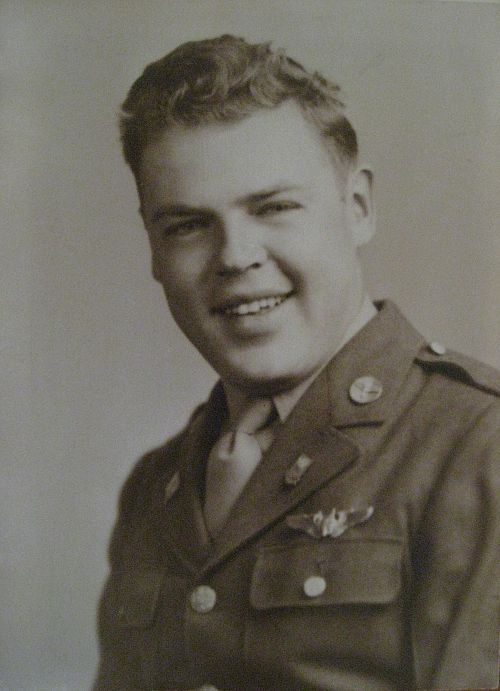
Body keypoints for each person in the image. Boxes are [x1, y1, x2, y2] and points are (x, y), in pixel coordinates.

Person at [94, 35, 499, 691]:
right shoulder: (155, 486)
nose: (235, 256)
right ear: (153, 249)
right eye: (187, 225)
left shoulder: (478, 446)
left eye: (275, 208)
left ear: (358, 208)